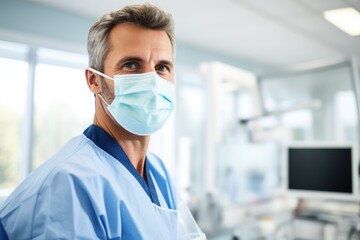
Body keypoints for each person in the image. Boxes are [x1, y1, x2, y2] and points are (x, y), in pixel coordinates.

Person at [0, 3, 206, 239]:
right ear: (94, 80)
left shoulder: (158, 173)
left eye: (162, 67)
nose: (151, 80)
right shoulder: (69, 184)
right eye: (131, 65)